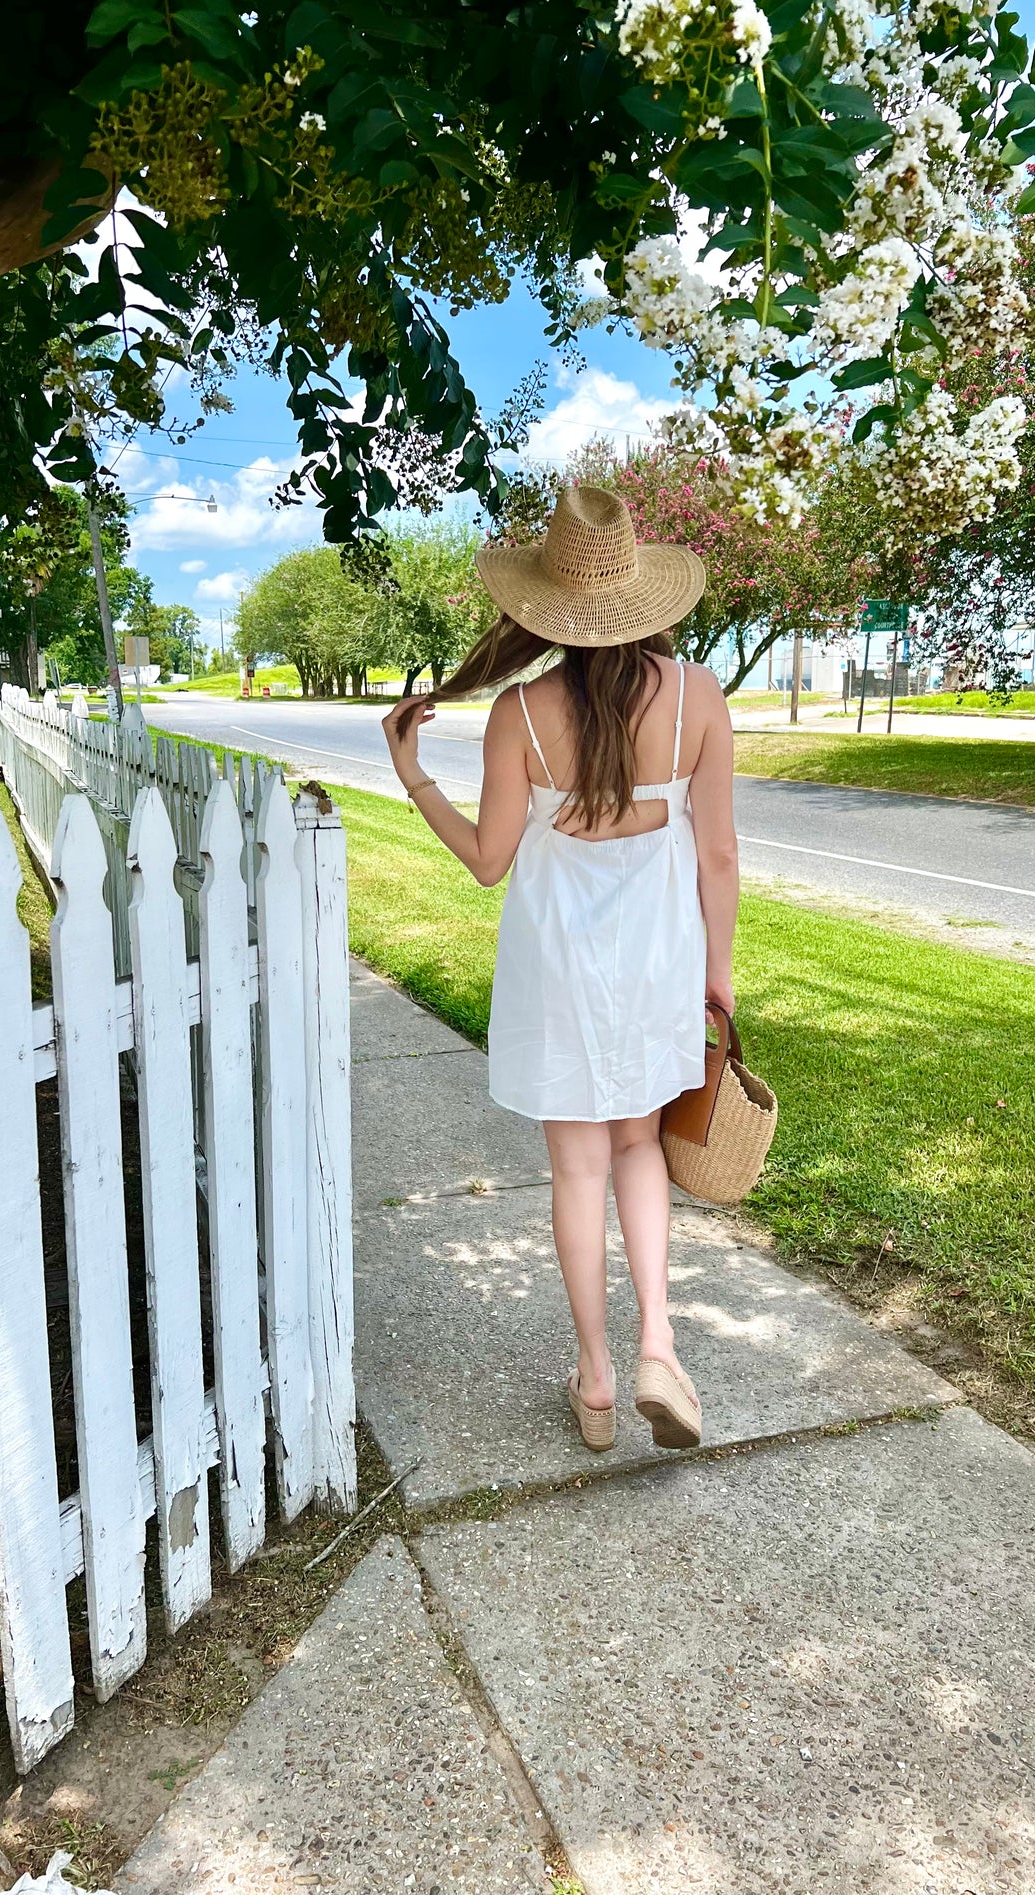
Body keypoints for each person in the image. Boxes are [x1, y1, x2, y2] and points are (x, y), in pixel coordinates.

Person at [382, 485, 739, 1454]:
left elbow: (489, 859)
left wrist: (412, 772)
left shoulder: (521, 713)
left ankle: (593, 1378)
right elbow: (716, 856)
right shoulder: (697, 697)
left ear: (546, 605)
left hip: (556, 972)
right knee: (638, 1152)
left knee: (576, 1165)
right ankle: (658, 1343)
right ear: (638, 592)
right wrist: (719, 970)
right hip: (656, 967)